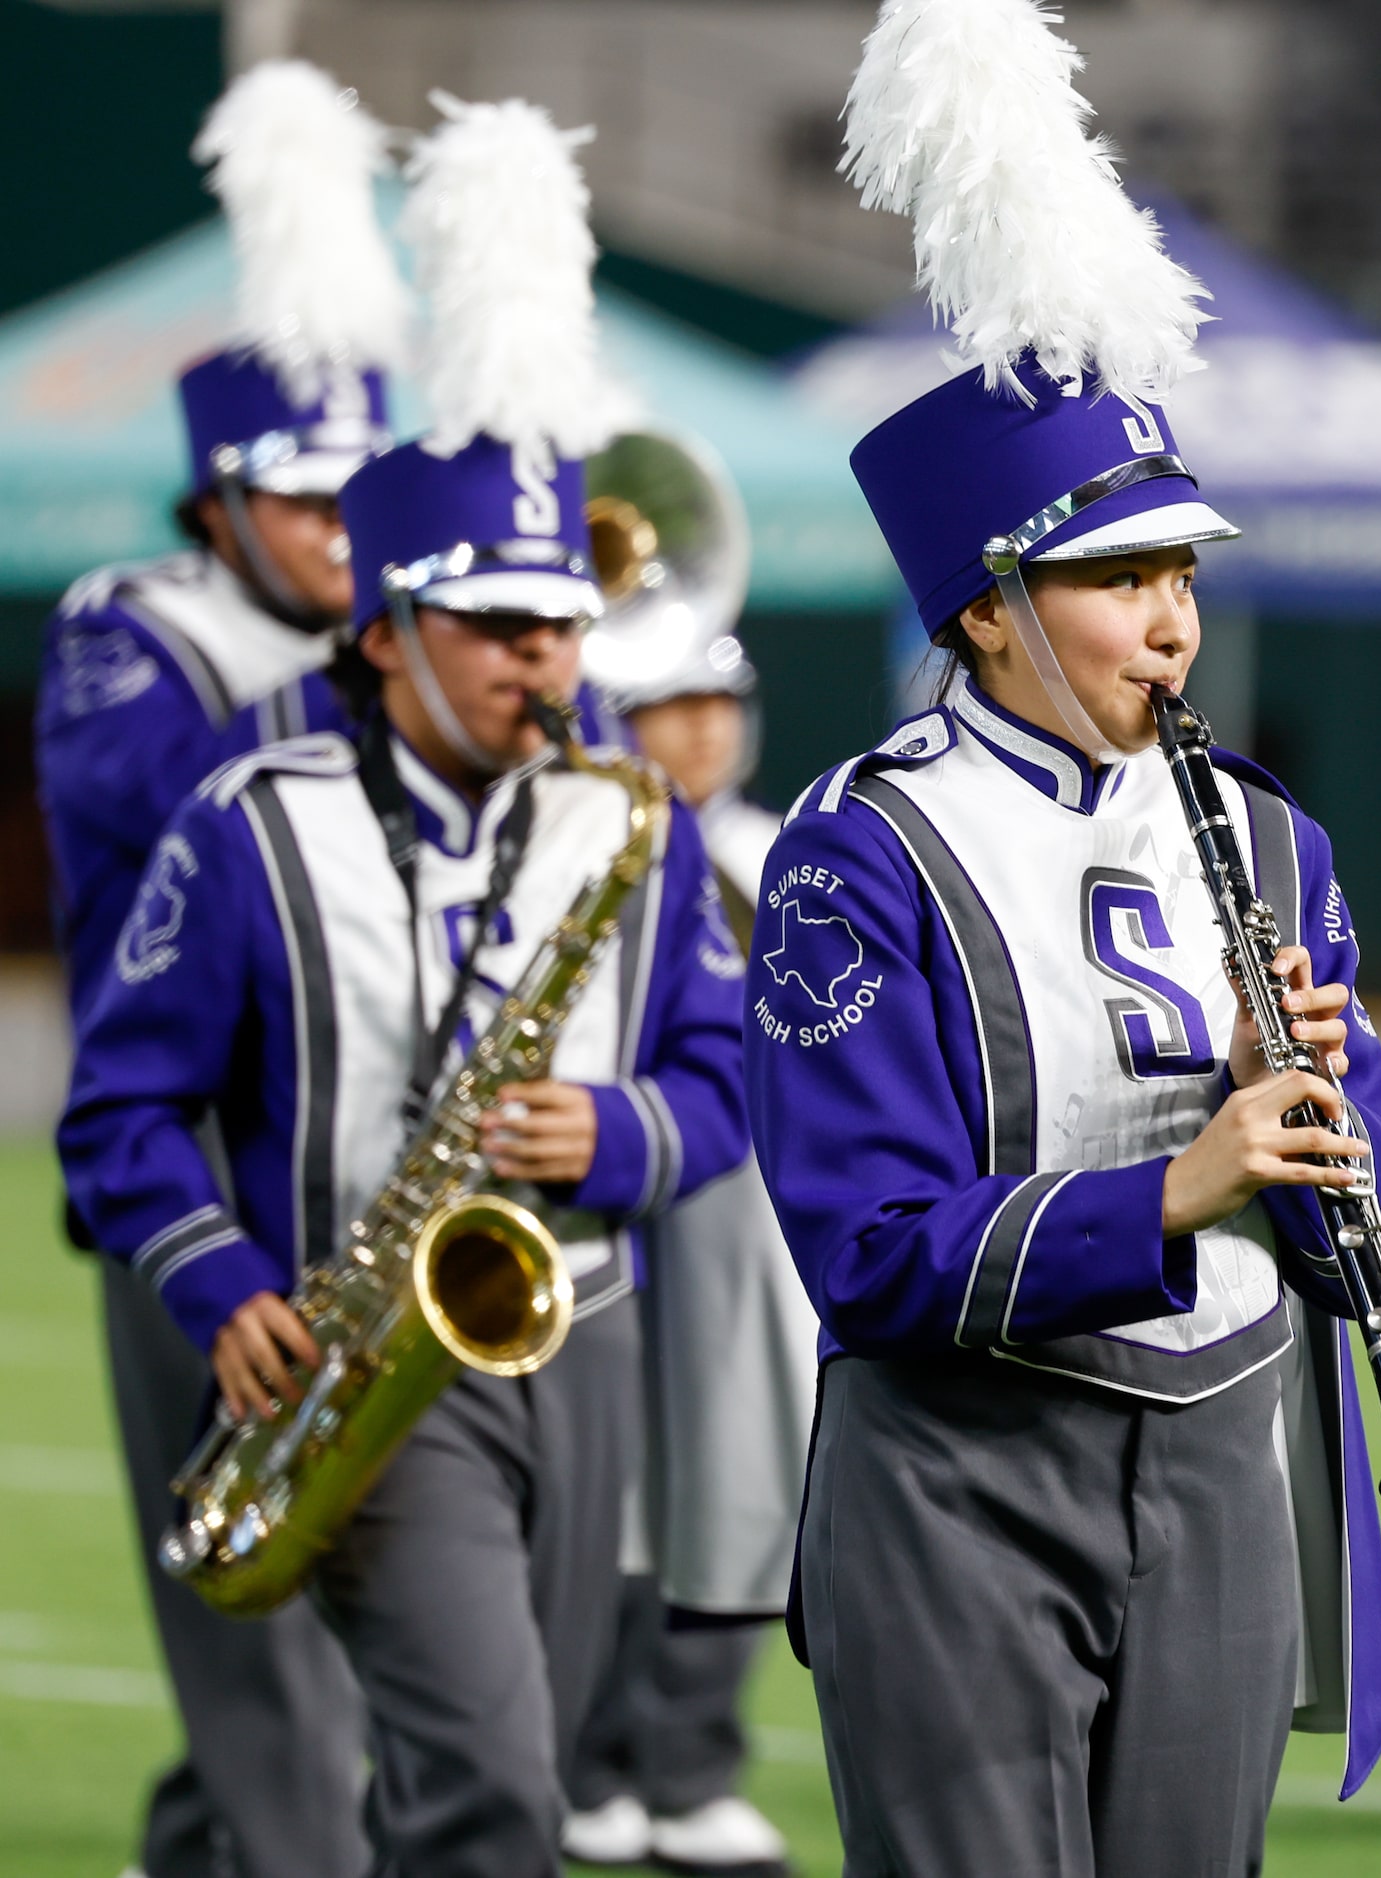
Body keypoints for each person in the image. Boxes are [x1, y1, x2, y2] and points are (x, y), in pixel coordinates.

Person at [743, 4, 1381, 1874]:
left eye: (1181, 569)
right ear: (983, 609)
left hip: (1220, 1457)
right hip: (962, 1475)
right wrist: (1176, 1188)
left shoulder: (1269, 840)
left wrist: (1320, 1109)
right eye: (1118, 576)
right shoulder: (859, 848)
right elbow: (867, 1255)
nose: (1171, 620)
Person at [59, 93, 749, 1878]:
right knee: (490, 1788)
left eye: (563, 625)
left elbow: (731, 1069)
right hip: (341, 1325)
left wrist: (619, 1125)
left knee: (501, 1751)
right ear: (386, 636)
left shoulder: (624, 823)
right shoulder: (250, 814)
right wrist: (211, 1274)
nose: (550, 660)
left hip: (572, 1328)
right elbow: (120, 1099)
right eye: (501, 626)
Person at [36, 61, 407, 1878]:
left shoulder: (387, 652)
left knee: (378, 1599)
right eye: (313, 503)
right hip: (187, 1152)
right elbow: (166, 798)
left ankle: (206, 1849)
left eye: (372, 503)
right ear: (222, 498)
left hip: (373, 1151)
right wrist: (381, 670)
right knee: (246, 1602)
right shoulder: (130, 629)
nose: (350, 537)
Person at [564, 452, 813, 1877]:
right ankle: (587, 1758)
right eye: (669, 706)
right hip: (625, 1216)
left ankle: (693, 1761)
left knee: (738, 1485)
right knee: (613, 1496)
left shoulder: (793, 852)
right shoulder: (588, 844)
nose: (700, 732)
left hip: (753, 1231)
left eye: (718, 705)